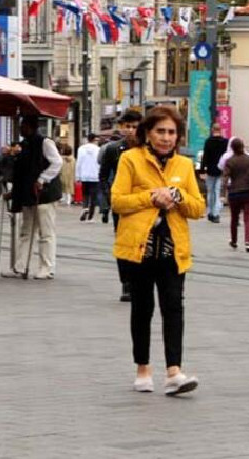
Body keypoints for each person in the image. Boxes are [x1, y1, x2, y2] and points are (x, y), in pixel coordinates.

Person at [111, 106, 204, 395]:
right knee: (142, 309)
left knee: (173, 307)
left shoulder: (185, 166)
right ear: (148, 133)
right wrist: (151, 196)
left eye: (171, 132)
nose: (166, 138)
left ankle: (174, 371)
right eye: (160, 131)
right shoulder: (131, 159)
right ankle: (143, 369)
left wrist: (177, 196)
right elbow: (117, 201)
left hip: (172, 249)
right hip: (139, 248)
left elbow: (198, 208)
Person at [9, 116, 63, 279]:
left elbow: (57, 162)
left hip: (44, 194)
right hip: (28, 195)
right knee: (26, 231)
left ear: (31, 127)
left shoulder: (45, 142)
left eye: (24, 126)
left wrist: (42, 179)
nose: (21, 129)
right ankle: (21, 266)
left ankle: (47, 267)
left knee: (46, 233)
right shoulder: (24, 145)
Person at [98, 110, 143, 301]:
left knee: (142, 243)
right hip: (122, 204)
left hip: (143, 203)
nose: (131, 131)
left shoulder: (147, 149)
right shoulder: (113, 149)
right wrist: (110, 198)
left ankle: (140, 282)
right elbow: (103, 175)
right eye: (127, 126)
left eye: (134, 127)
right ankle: (126, 283)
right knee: (124, 243)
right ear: (121, 127)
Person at [223, 138, 249, 253]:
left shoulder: (230, 161)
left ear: (232, 148)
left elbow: (225, 177)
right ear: (243, 146)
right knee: (247, 218)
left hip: (234, 193)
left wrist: (226, 190)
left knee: (234, 218)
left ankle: (234, 240)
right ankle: (248, 242)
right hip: (248, 192)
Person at [201, 124, 229, 223]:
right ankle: (216, 214)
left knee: (210, 192)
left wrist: (202, 170)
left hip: (210, 170)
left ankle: (210, 212)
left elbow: (205, 157)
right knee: (217, 192)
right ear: (220, 130)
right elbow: (226, 156)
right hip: (220, 170)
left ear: (212, 130)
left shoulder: (208, 141)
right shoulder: (225, 142)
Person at [75, 134, 101, 222]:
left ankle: (85, 208)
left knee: (85, 194)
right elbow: (100, 162)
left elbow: (78, 163)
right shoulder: (98, 149)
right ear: (94, 140)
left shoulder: (81, 149)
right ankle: (90, 216)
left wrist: (77, 175)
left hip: (84, 175)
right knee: (93, 196)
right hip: (95, 175)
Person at [0, 145, 15, 209]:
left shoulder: (10, 157)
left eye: (7, 149)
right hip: (0, 176)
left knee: (8, 192)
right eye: (4, 149)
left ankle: (9, 207)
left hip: (8, 177)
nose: (5, 150)